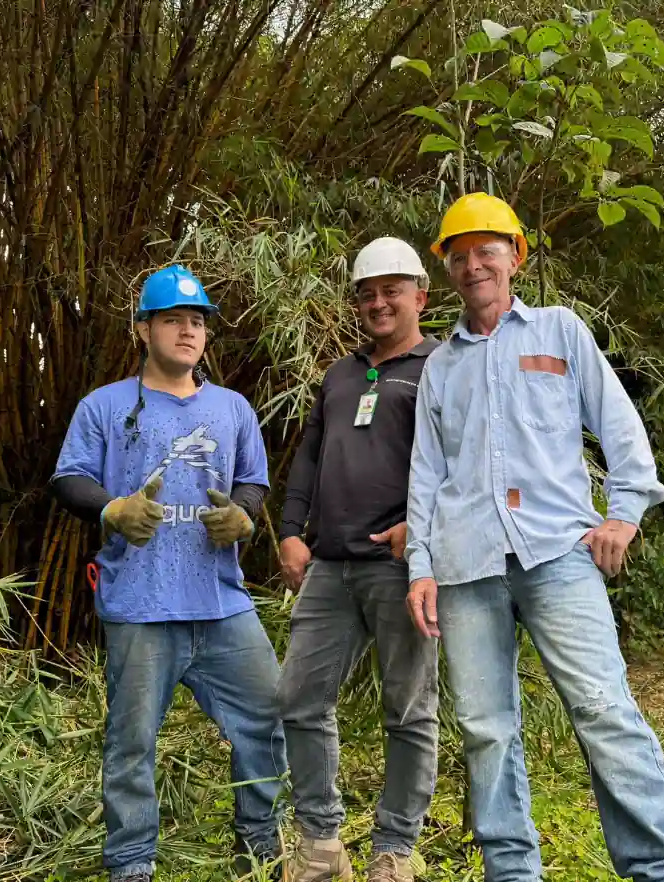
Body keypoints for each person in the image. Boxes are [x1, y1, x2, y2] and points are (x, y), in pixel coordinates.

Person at [404, 193, 664, 882]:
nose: (474, 264)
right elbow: (426, 477)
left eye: (488, 250)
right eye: (460, 255)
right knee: (485, 731)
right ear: (447, 270)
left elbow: (619, 425)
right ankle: (512, 872)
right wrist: (419, 566)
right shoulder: (439, 369)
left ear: (515, 256)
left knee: (604, 710)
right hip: (465, 566)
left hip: (558, 556)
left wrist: (624, 512)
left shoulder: (560, 331)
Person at [49, 265, 287, 882]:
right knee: (131, 747)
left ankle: (260, 850)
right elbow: (68, 477)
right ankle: (131, 864)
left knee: (268, 721)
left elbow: (254, 481)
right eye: (174, 320)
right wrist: (112, 508)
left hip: (222, 603)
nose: (188, 331)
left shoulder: (232, 407)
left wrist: (245, 518)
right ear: (143, 329)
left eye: (197, 322)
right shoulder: (103, 406)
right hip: (139, 604)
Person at [276, 237, 441, 882]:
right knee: (299, 699)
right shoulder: (343, 374)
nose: (378, 303)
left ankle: (395, 849)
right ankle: (321, 844)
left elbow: (463, 464)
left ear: (420, 297)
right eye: (367, 293)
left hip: (402, 567)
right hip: (329, 566)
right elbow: (310, 456)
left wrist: (421, 528)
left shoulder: (441, 366)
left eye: (391, 291)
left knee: (408, 708)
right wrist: (291, 530)